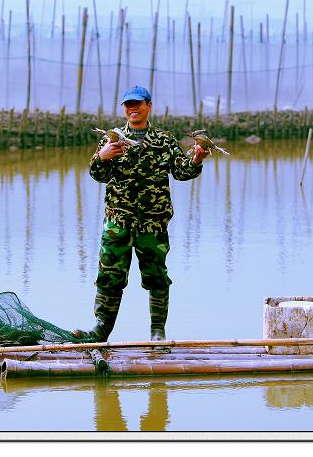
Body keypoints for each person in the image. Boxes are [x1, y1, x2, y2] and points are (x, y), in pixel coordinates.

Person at [73, 85, 210, 343]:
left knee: (157, 277)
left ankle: (157, 333)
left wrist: (196, 159)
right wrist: (101, 157)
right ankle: (101, 329)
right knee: (109, 277)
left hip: (153, 222)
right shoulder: (112, 139)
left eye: (137, 104)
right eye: (128, 105)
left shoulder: (164, 140)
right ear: (124, 109)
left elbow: (181, 172)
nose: (132, 108)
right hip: (118, 222)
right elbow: (97, 175)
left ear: (148, 105)